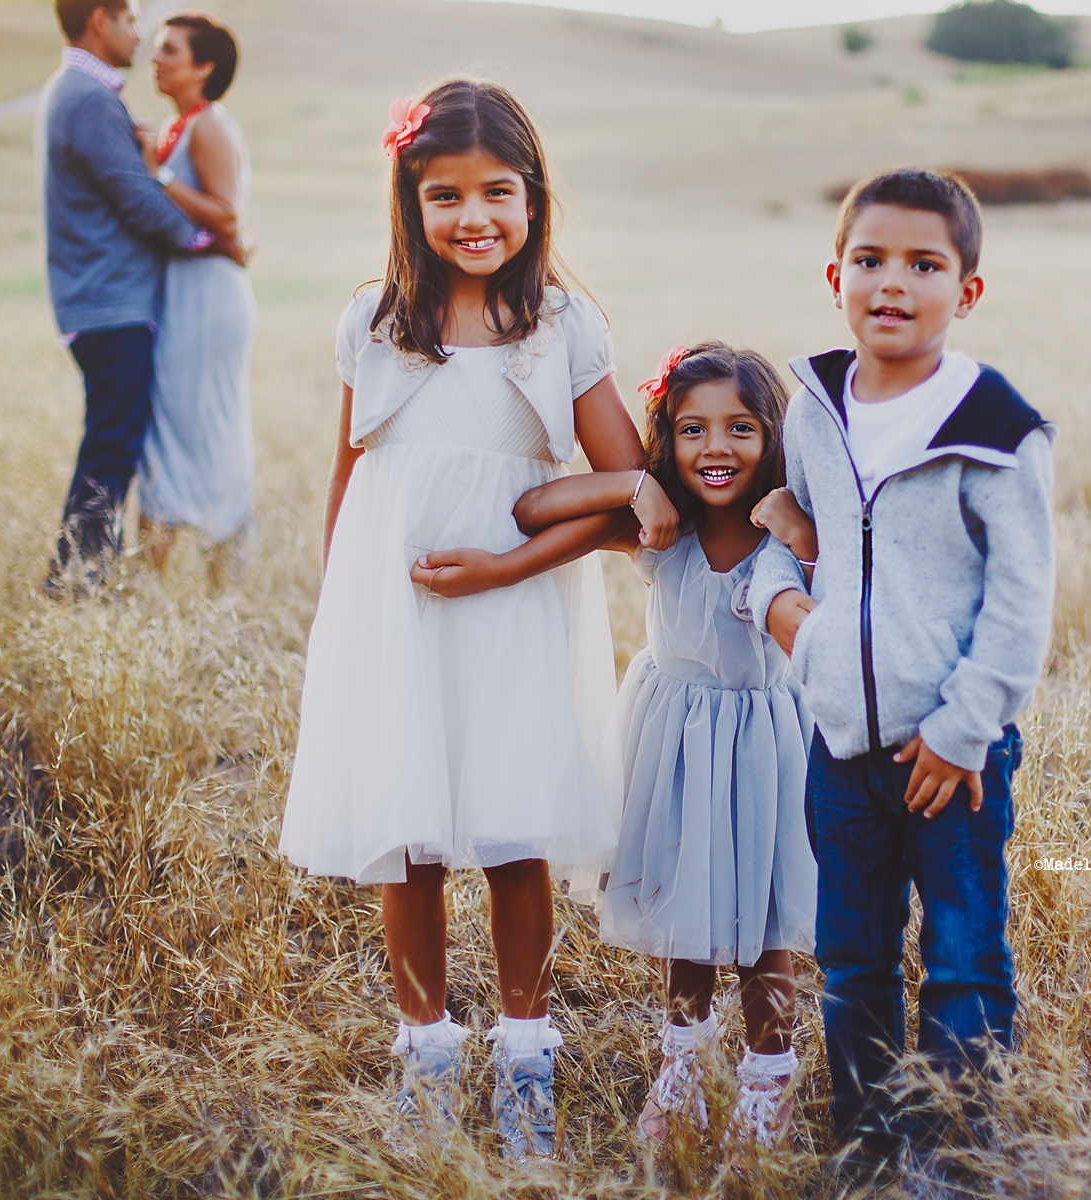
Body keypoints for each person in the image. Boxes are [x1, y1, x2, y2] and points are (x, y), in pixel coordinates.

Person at [276, 79, 680, 1163]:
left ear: (535, 196)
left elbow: (633, 492)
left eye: (496, 192)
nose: (472, 218)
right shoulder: (373, 318)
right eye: (442, 194)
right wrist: (338, 605)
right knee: (402, 834)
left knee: (512, 828)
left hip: (514, 609)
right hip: (392, 606)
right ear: (409, 201)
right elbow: (350, 472)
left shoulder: (558, 323)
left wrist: (511, 561)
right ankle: (423, 1047)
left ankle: (527, 1046)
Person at [745, 167, 1057, 1178]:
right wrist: (785, 610)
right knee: (854, 963)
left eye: (924, 265)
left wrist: (964, 729)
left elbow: (1021, 603)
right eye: (872, 261)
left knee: (965, 964)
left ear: (966, 291)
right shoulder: (815, 409)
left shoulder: (997, 429)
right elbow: (788, 530)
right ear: (836, 273)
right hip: (839, 749)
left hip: (950, 758)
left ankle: (953, 1153)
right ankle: (870, 1146)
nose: (893, 283)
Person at [511, 343, 817, 1153]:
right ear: (667, 440)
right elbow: (535, 508)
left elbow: (856, 583)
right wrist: (633, 487)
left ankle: (767, 1078)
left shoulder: (786, 539)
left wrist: (806, 535)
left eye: (740, 428)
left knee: (762, 931)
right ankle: (681, 1062)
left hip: (761, 749)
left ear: (773, 437)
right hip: (673, 744)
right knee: (685, 917)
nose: (716, 448)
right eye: (692, 430)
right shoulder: (663, 532)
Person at [37, 0, 238, 595]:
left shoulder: (74, 91)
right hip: (109, 304)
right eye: (130, 21)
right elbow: (136, 198)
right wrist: (215, 243)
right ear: (101, 19)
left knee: (112, 438)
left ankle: (79, 573)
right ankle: (79, 578)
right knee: (113, 443)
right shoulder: (88, 97)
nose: (138, 34)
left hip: (100, 300)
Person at [136, 11, 256, 590]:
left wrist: (158, 176)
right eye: (156, 49)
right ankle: (165, 569)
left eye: (170, 51)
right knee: (177, 424)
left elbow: (227, 213)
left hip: (209, 297)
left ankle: (217, 570)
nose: (155, 59)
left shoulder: (208, 125)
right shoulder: (178, 123)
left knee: (200, 426)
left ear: (203, 67)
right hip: (187, 293)